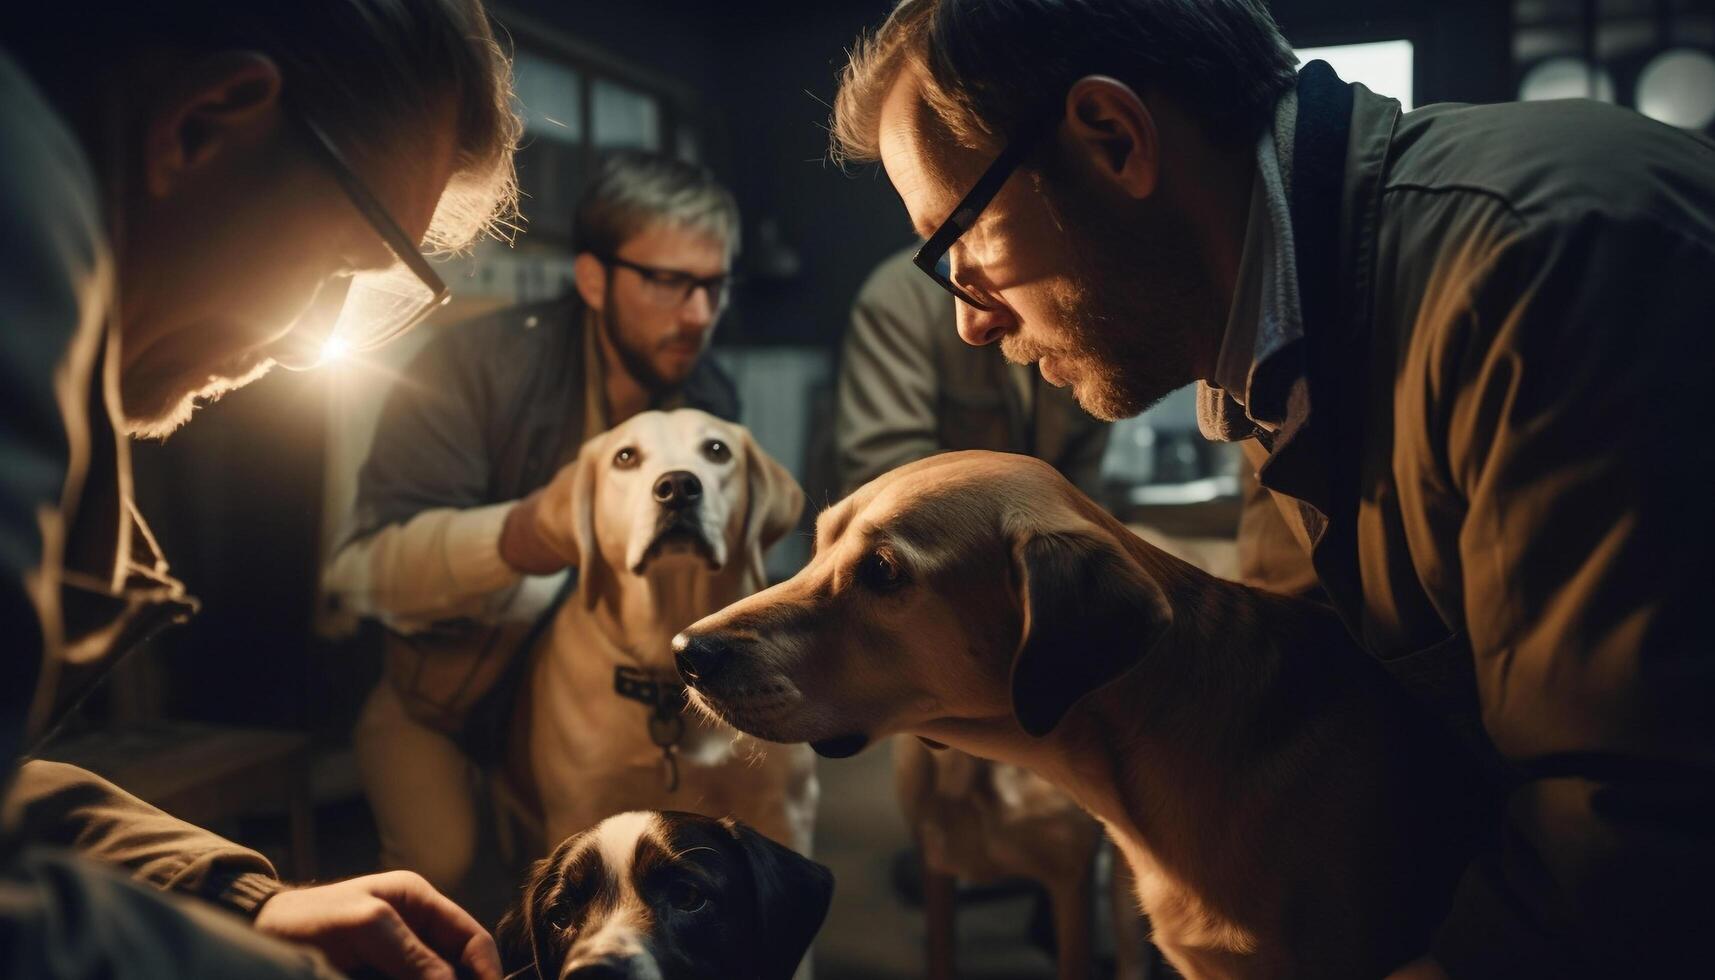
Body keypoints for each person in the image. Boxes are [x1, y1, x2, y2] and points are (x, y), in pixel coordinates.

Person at [830, 0, 1715, 976]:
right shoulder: (1269, 333)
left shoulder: (1545, 264)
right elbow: (1307, 714)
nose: (969, 321)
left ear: (1112, 140)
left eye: (961, 237)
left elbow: (1629, 844)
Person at [1, 2, 519, 977]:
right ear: (201, 125)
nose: (291, 350)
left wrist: (235, 896)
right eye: (333, 267)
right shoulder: (20, 224)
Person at [322, 151, 741, 892]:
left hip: (601, 694)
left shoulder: (705, 392)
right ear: (592, 279)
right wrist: (525, 532)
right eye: (670, 283)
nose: (698, 316)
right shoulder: (473, 366)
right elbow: (367, 569)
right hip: (443, 691)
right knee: (443, 868)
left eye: (713, 286)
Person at [836, 243, 1108, 495]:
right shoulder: (901, 298)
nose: (969, 327)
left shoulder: (1069, 291)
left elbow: (1085, 481)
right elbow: (888, 473)